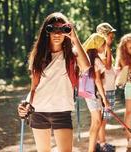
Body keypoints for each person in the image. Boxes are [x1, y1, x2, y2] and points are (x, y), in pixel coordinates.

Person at [17, 12, 90, 152]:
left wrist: (74, 37)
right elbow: (34, 88)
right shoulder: (39, 56)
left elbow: (86, 66)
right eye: (52, 29)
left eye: (62, 29)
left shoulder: (72, 55)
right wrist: (25, 106)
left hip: (62, 110)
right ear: (47, 32)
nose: (57, 34)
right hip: (38, 111)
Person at [82, 33, 111, 152]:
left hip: (87, 93)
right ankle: (91, 149)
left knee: (95, 122)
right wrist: (105, 99)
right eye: (103, 45)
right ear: (97, 45)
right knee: (97, 122)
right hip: (94, 94)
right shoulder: (95, 60)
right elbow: (97, 80)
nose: (104, 47)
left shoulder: (85, 58)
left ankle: (92, 149)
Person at [96, 23, 117, 151]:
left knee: (104, 119)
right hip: (105, 89)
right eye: (110, 34)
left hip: (109, 87)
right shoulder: (102, 50)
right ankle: (102, 144)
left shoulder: (105, 49)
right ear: (104, 35)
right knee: (103, 119)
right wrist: (108, 47)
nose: (112, 37)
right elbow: (108, 66)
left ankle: (101, 142)